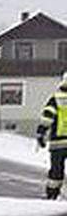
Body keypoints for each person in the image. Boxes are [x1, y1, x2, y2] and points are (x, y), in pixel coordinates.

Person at [36, 72, 67, 200]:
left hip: (58, 144)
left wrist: (41, 133)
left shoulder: (56, 99)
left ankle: (52, 195)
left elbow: (47, 117)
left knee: (56, 171)